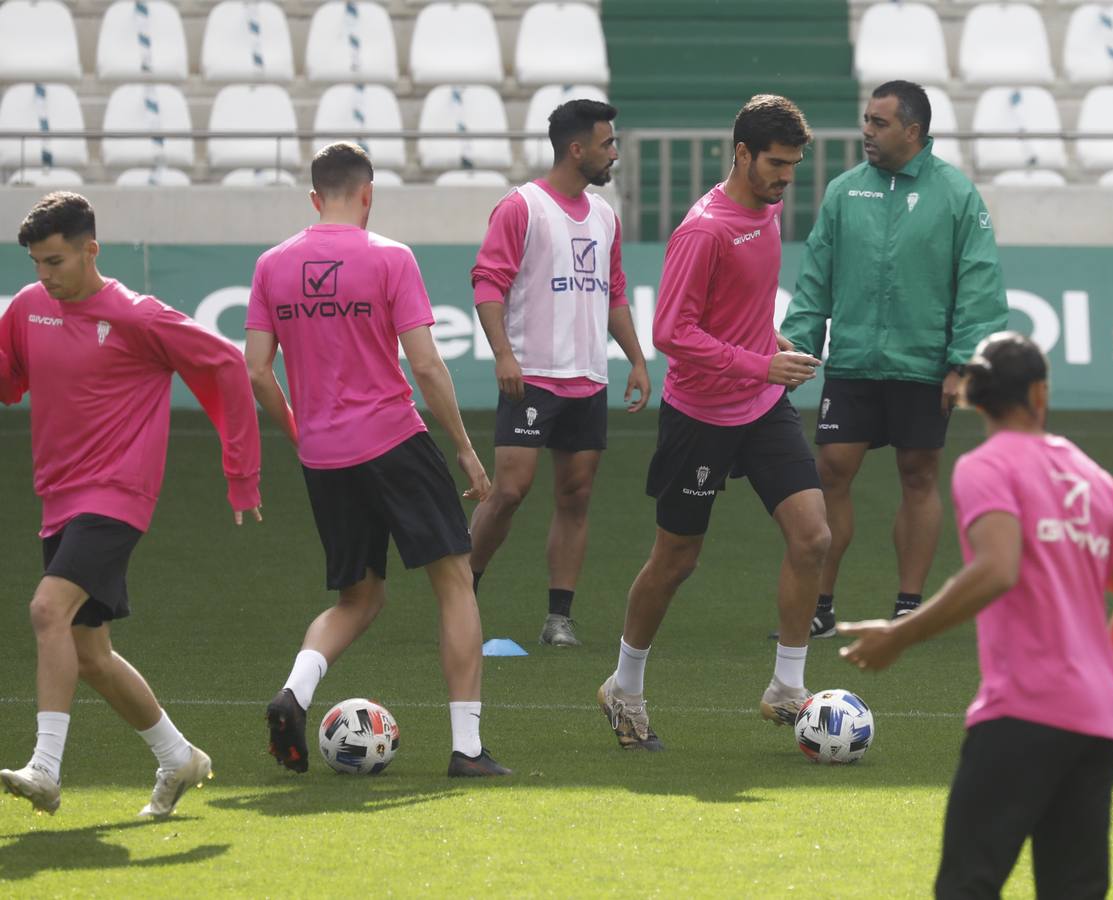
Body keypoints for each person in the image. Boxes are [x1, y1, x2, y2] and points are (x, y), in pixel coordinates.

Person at [838, 332, 1113, 899]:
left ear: (972, 398)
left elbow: (997, 569)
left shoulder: (986, 466)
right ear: (1041, 392)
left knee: (968, 884)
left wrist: (899, 634)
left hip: (1023, 714)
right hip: (1096, 721)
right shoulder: (1095, 478)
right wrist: (1091, 676)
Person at [246, 143, 508, 778]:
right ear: (367, 194)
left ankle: (295, 693)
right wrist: (467, 450)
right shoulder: (390, 256)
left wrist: (300, 433)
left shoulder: (272, 264)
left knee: (358, 597)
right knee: (454, 578)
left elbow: (256, 370)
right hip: (394, 441)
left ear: (315, 197)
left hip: (325, 456)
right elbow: (424, 364)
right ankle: (467, 748)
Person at [0, 192, 262, 816]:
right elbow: (9, 379)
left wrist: (242, 473)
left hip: (118, 493)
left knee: (46, 610)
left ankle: (46, 768)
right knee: (90, 653)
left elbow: (226, 364)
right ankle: (178, 758)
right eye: (36, 262)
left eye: (56, 260)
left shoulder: (138, 316)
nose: (44, 274)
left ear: (92, 249)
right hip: (59, 496)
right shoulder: (28, 308)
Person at [595, 95, 831, 751]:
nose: (786, 178)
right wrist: (758, 366)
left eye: (792, 166)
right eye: (776, 165)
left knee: (812, 537)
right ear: (742, 154)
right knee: (675, 560)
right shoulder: (703, 229)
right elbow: (671, 331)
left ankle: (786, 689)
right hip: (701, 414)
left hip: (759, 405)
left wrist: (772, 342)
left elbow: (742, 308)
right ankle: (625, 687)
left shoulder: (769, 207)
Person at [781, 80, 1009, 637]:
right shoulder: (843, 192)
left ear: (913, 131)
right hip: (855, 360)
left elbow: (979, 286)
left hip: (924, 363)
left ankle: (909, 606)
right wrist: (797, 344)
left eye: (879, 123)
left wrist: (963, 363)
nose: (867, 131)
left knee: (918, 473)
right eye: (866, 120)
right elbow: (815, 279)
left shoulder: (956, 195)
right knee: (832, 469)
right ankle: (821, 606)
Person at [468, 98, 649, 648]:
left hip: (588, 379)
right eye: (607, 143)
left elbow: (614, 292)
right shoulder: (521, 207)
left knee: (575, 496)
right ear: (577, 149)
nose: (613, 152)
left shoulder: (604, 216)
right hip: (533, 377)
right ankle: (461, 592)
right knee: (510, 491)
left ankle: (558, 618)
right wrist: (503, 354)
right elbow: (487, 284)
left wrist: (636, 359)